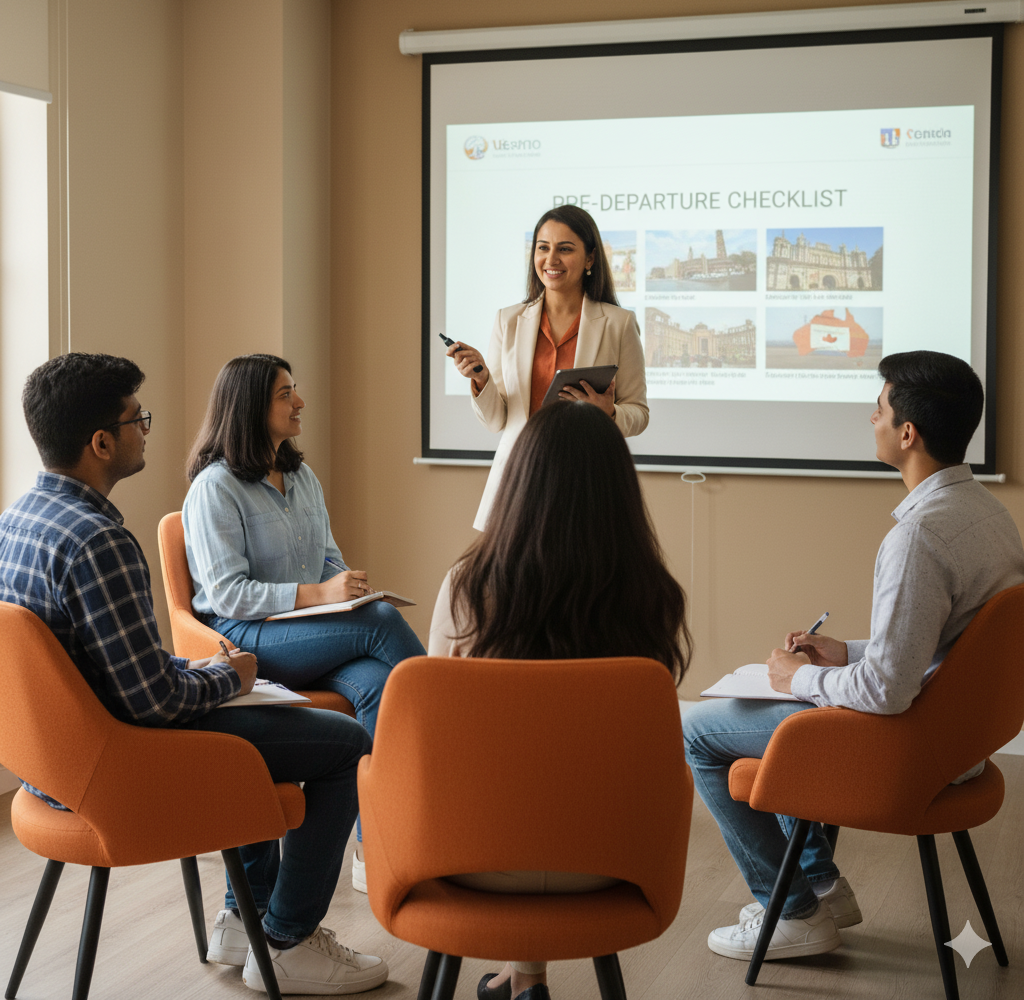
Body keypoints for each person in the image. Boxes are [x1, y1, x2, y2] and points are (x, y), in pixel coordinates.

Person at [0, 353, 388, 995]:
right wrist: (226, 678)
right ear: (101, 442)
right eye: (137, 419)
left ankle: (242, 917)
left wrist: (199, 668)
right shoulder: (99, 541)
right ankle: (288, 938)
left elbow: (110, 669)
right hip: (121, 768)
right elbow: (152, 701)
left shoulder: (16, 522)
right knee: (345, 743)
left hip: (52, 770)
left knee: (263, 719)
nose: (146, 430)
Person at [683, 350, 1024, 963]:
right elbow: (940, 648)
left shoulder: (916, 537)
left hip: (911, 750)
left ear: (907, 433)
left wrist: (804, 676)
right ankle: (819, 887)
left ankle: (793, 913)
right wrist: (843, 652)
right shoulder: (988, 515)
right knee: (791, 710)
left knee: (699, 731)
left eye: (880, 409)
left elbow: (888, 692)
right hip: (959, 742)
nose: (872, 418)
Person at [428, 400, 691, 1000]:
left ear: (519, 483)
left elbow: (434, 730)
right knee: (564, 778)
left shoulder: (467, 590)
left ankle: (522, 980)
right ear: (621, 495)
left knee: (509, 780)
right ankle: (523, 982)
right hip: (614, 861)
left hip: (472, 855)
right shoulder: (652, 599)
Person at [182, 353, 425, 892]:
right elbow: (226, 594)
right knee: (381, 623)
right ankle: (446, 727)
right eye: (285, 394)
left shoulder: (303, 476)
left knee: (383, 682)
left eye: (295, 390)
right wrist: (319, 594)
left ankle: (374, 846)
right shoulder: (215, 488)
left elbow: (329, 557)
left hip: (310, 632)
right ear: (250, 407)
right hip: (243, 637)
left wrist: (346, 586)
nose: (300, 403)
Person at [445, 204, 648, 530]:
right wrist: (481, 378)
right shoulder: (507, 320)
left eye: (565, 249)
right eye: (543, 248)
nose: (551, 259)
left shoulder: (619, 324)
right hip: (520, 480)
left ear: (591, 259)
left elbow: (638, 412)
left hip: (587, 482)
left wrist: (608, 413)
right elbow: (497, 420)